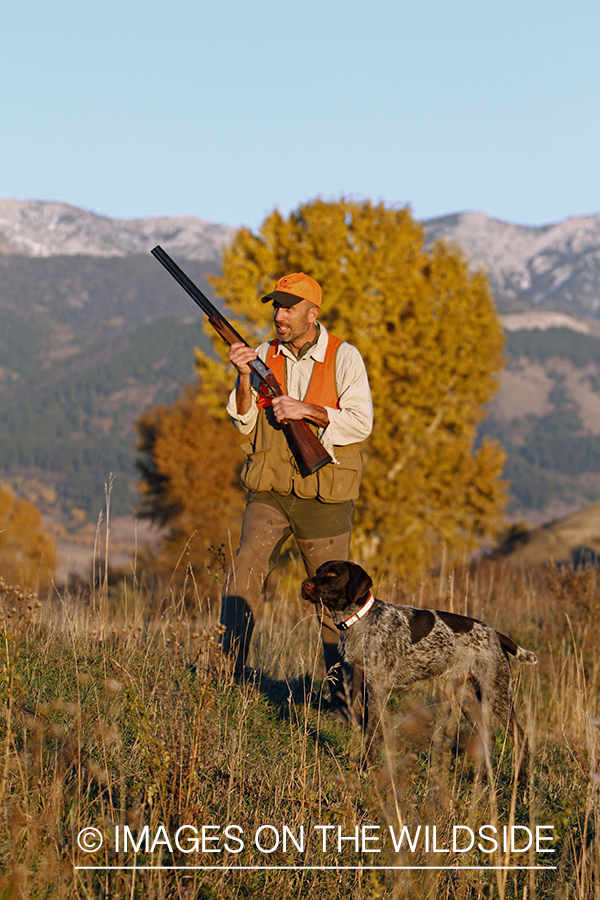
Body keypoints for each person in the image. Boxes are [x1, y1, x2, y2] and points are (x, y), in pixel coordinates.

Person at [220, 271, 373, 708]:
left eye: (288, 307)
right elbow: (243, 420)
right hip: (270, 488)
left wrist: (306, 409)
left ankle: (344, 698)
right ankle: (226, 675)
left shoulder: (344, 357)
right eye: (276, 306)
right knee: (246, 564)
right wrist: (244, 377)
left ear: (313, 313)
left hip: (323, 495)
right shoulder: (263, 354)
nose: (279, 315)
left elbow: (362, 421)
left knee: (334, 597)